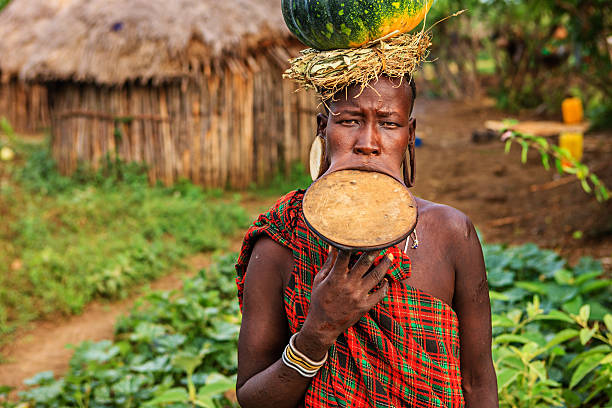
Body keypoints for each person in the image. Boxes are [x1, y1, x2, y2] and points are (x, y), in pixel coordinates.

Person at [235, 75, 498, 407]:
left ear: (410, 135)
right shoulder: (281, 243)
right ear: (322, 129)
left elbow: (478, 384)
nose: (368, 143)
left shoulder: (451, 234)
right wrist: (316, 333)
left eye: (389, 123)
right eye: (349, 121)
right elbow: (251, 398)